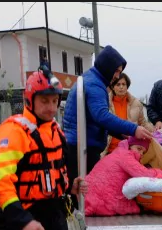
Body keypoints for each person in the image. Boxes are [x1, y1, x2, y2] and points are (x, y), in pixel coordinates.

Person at [0, 66, 87, 230]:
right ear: (30, 99)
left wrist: (70, 187)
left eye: (55, 101)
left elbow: (55, 171)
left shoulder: (56, 130)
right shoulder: (12, 133)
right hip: (19, 215)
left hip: (52, 214)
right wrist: (24, 222)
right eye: (45, 101)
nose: (51, 108)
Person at [63, 45, 152, 198]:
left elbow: (95, 119)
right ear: (107, 67)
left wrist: (121, 134)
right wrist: (133, 129)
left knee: (84, 192)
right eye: (116, 71)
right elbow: (101, 116)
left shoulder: (92, 80)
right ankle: (81, 219)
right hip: (82, 148)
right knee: (85, 194)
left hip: (81, 144)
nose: (118, 76)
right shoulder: (94, 84)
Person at [85, 137, 162, 216]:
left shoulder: (117, 153)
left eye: (143, 152)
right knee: (140, 207)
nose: (141, 154)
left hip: (89, 198)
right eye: (138, 148)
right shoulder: (126, 156)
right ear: (130, 145)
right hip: (105, 202)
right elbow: (146, 175)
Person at [102, 73, 154, 156]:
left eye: (124, 84)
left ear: (127, 86)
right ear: (112, 86)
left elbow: (143, 123)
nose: (121, 87)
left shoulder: (136, 103)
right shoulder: (104, 103)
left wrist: (154, 130)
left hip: (130, 149)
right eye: (118, 84)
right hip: (108, 150)